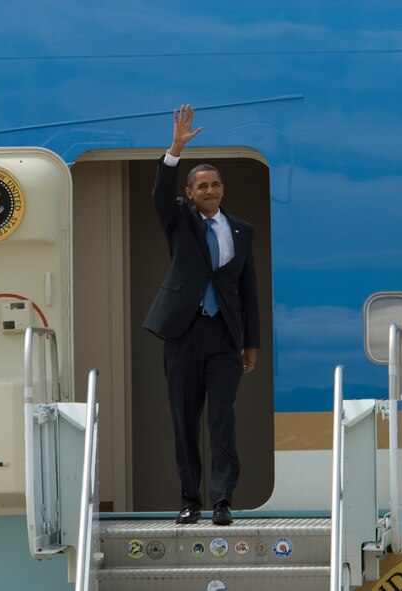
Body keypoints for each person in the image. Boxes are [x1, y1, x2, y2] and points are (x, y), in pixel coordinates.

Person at [143, 104, 260, 526]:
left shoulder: (242, 230)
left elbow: (247, 289)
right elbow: (160, 192)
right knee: (184, 418)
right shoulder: (180, 221)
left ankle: (222, 501)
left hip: (225, 336)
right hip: (183, 331)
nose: (209, 190)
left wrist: (251, 342)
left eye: (215, 184)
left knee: (221, 419)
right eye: (202, 185)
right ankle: (190, 500)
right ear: (190, 193)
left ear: (222, 190)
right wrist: (174, 150)